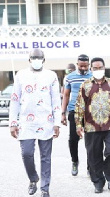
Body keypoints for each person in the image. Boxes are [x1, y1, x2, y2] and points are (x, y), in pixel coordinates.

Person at [9, 49, 61, 197]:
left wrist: (57, 123)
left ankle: (45, 188)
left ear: (44, 60)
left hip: (46, 122)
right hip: (26, 122)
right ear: (29, 59)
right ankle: (33, 179)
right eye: (34, 57)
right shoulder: (21, 75)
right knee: (26, 153)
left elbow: (56, 100)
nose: (36, 60)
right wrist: (13, 122)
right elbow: (15, 100)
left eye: (39, 58)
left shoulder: (51, 75)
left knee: (46, 157)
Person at [75, 57, 110, 193]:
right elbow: (79, 106)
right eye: (95, 68)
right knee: (93, 154)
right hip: (91, 126)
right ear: (91, 69)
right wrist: (78, 124)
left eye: (100, 68)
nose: (98, 70)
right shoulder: (85, 85)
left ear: (104, 68)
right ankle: (98, 181)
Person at [61, 54, 92, 176]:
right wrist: (63, 113)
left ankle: (90, 166)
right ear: (77, 64)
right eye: (81, 66)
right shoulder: (70, 77)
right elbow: (66, 95)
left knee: (91, 140)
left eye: (86, 66)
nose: (83, 68)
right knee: (73, 139)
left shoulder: (94, 76)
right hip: (74, 111)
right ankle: (74, 161)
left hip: (90, 112)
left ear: (89, 65)